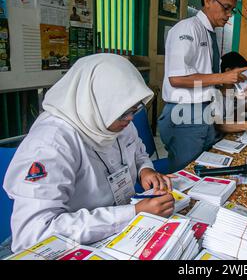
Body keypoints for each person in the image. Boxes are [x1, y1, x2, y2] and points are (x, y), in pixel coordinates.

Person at [3, 54, 175, 252]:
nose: (129, 119)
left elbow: (138, 151)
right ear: (94, 104)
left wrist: (145, 170)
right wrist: (133, 213)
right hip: (63, 244)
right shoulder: (51, 143)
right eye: (123, 113)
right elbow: (33, 235)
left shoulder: (116, 120)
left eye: (134, 110)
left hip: (114, 223)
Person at [158, 0, 247, 173]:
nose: (228, 15)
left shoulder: (209, 33)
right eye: (225, 7)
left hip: (204, 113)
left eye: (232, 10)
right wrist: (223, 77)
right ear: (208, 0)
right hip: (185, 114)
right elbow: (176, 79)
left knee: (203, 172)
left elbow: (206, 78)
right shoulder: (188, 28)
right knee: (186, 176)